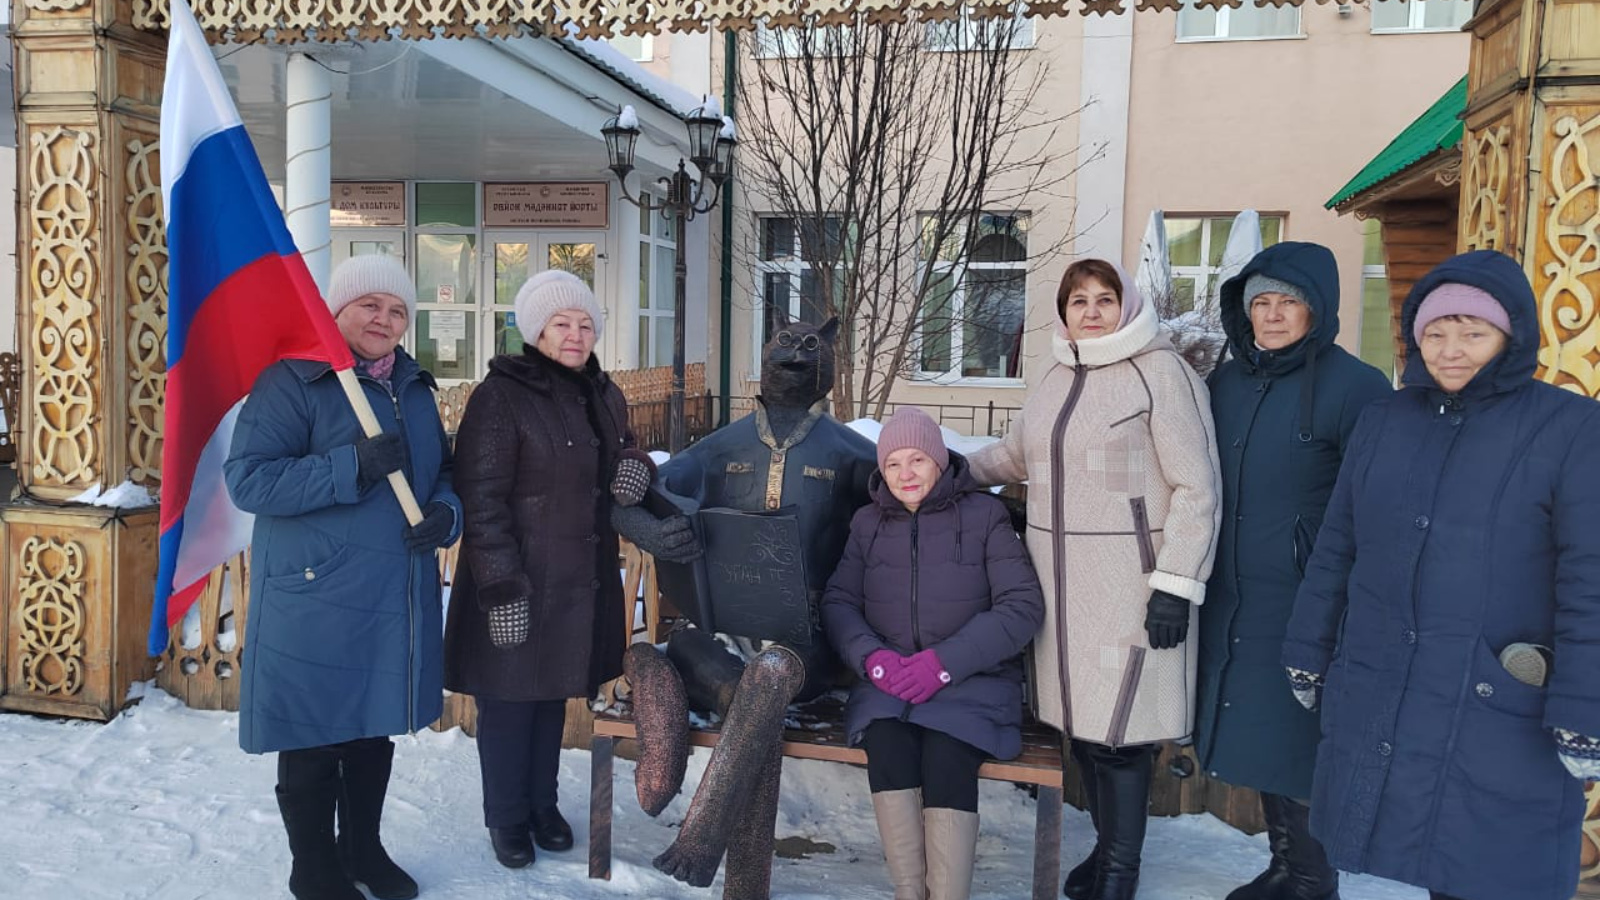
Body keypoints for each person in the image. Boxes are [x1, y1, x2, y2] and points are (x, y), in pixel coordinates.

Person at [1284, 249, 1600, 900]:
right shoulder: (1385, 421)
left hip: (1500, 699)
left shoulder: (1570, 428)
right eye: (1435, 333)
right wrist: (1307, 650)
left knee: (1489, 869)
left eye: (1472, 333)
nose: (1450, 351)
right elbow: (1338, 547)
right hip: (1390, 685)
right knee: (1435, 866)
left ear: (1510, 335)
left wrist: (1584, 707)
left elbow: (1589, 577)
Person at [967, 258, 1221, 900]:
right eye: (1078, 300)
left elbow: (1197, 486)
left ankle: (1119, 875)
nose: (1091, 311)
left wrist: (1175, 583)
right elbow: (1017, 455)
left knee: (1122, 738)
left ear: (1126, 306)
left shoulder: (1161, 373)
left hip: (1132, 585)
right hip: (1062, 589)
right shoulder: (1055, 376)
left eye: (1104, 298)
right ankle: (1108, 853)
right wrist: (948, 471)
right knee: (1083, 732)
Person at [225, 253, 462, 900]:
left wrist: (447, 513)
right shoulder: (293, 381)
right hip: (316, 591)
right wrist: (348, 467)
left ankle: (363, 849)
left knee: (370, 729)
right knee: (314, 732)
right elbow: (249, 479)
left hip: (391, 591)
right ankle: (313, 866)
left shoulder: (412, 386)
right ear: (336, 311)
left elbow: (442, 472)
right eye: (369, 305)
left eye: (397, 310)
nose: (384, 319)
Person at [1194, 242, 1391, 900]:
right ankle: (1288, 865)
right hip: (1233, 591)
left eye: (1288, 302)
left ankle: (1313, 878)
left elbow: (1377, 504)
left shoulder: (1357, 387)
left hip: (1310, 597)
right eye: (1261, 303)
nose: (1272, 315)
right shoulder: (1227, 381)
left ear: (1318, 310)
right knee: (1259, 731)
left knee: (1302, 739)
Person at [442, 270, 654, 870]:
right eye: (562, 323)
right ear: (535, 330)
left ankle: (542, 804)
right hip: (517, 578)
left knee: (550, 697)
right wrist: (501, 584)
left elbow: (623, 446)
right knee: (509, 703)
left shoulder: (602, 393)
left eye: (585, 324)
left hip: (575, 580)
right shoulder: (501, 396)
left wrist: (637, 464)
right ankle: (507, 817)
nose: (575, 334)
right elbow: (481, 498)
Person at [821, 406, 1044, 900]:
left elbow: (1022, 606)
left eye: (917, 460)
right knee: (887, 747)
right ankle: (909, 892)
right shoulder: (867, 524)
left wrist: (944, 664)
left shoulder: (984, 516)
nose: (906, 474)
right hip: (889, 686)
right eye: (893, 463)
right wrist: (872, 659)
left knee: (947, 756)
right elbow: (839, 602)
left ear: (940, 461)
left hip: (973, 683)